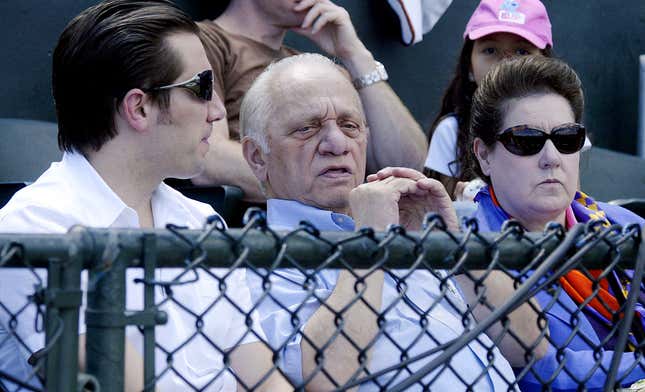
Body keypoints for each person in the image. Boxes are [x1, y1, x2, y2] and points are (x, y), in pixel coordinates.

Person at [0, 1, 289, 390]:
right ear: (138, 108)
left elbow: (265, 379)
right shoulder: (34, 230)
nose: (218, 111)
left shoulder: (201, 222)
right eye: (203, 87)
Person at [239, 52, 521, 391]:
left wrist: (456, 251)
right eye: (306, 128)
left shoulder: (406, 219)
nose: (336, 144)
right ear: (258, 157)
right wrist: (370, 243)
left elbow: (524, 345)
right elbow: (327, 377)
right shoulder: (253, 261)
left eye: (349, 125)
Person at [469, 55, 645, 391]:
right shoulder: (469, 253)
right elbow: (541, 371)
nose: (551, 158)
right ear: (484, 155)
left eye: (566, 138)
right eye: (526, 140)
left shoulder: (622, 223)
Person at [195, 0, 428, 202]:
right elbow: (206, 159)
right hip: (253, 230)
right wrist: (328, 188)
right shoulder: (198, 43)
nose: (337, 146)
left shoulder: (316, 69)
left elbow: (409, 167)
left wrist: (355, 55)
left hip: (341, 230)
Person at [424, 0, 588, 199]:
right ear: (469, 65)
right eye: (490, 50)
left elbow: (573, 201)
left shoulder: (564, 121)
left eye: (522, 51)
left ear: (545, 64)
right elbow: (446, 212)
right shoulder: (451, 130)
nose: (506, 63)